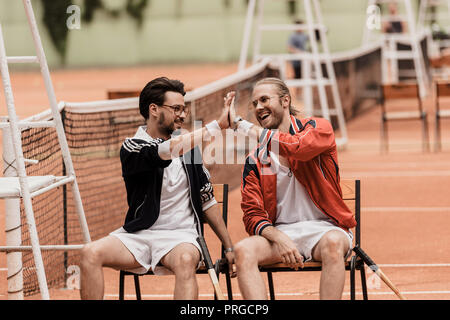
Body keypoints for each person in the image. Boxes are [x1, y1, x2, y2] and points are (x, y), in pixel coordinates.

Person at [80, 77, 235, 300]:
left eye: (184, 109)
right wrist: (217, 126)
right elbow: (163, 152)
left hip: (181, 237)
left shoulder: (190, 150)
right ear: (154, 109)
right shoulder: (132, 147)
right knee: (90, 253)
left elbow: (206, 200)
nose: (182, 115)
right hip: (139, 236)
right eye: (176, 109)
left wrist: (229, 247)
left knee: (185, 261)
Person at [225, 77, 357, 300]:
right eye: (255, 103)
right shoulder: (255, 159)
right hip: (281, 234)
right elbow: (252, 215)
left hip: (326, 230)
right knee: (243, 251)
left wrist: (241, 125)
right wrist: (278, 237)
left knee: (334, 244)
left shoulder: (318, 128)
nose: (258, 107)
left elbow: (297, 148)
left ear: (285, 100)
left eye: (265, 99)